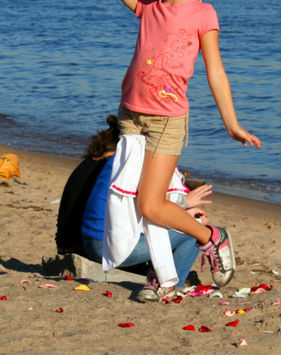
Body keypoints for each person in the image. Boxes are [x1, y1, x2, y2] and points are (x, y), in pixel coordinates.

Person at [64, 0, 261, 290]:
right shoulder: (147, 8)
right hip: (130, 117)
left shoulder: (203, 14)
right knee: (134, 205)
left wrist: (231, 123)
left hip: (167, 121)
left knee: (151, 204)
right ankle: (165, 276)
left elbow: (215, 71)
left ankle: (211, 238)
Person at [55, 115, 213, 302]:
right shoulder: (133, 163)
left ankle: (161, 276)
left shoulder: (113, 163)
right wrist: (185, 208)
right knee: (196, 229)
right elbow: (151, 206)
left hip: (87, 240)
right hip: (99, 246)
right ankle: (170, 285)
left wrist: (181, 208)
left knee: (179, 224)